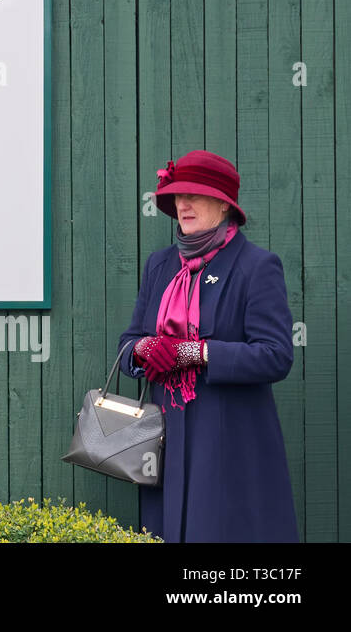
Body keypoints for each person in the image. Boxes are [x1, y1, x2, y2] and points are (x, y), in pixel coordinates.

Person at [116, 149, 299, 542]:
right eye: (177, 196)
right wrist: (146, 349)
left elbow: (277, 355)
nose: (183, 204)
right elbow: (128, 342)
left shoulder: (256, 266)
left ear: (222, 203)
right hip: (163, 443)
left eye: (194, 195)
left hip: (228, 442)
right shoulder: (160, 265)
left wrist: (195, 352)